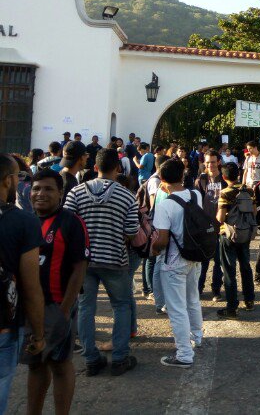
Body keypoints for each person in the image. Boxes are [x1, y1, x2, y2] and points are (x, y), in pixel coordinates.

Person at [64, 148, 139, 376]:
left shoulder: (75, 193)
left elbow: (67, 227)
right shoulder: (127, 196)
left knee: (86, 307)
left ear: (94, 167)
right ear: (118, 168)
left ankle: (91, 358)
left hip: (84, 262)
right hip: (115, 259)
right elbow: (132, 230)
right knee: (122, 306)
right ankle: (119, 358)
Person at [27, 169, 89, 415]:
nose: (41, 194)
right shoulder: (27, 221)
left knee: (60, 364)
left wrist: (64, 310)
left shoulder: (71, 222)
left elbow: (79, 268)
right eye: (36, 189)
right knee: (35, 363)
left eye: (48, 189)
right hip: (29, 307)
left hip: (56, 305)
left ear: (60, 194)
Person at [0, 154, 45, 413]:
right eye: (17, 176)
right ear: (8, 180)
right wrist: (38, 334)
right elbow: (31, 286)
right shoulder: (23, 221)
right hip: (4, 325)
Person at [151, 160, 204, 368]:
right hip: (194, 257)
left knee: (176, 309)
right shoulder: (195, 195)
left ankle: (184, 354)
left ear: (162, 181)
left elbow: (162, 240)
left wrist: (153, 248)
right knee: (193, 299)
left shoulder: (165, 205)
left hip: (173, 263)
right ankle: (197, 338)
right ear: (183, 175)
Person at [216, 162, 256, 319]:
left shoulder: (225, 193)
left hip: (228, 234)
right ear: (238, 175)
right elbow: (253, 211)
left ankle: (232, 307)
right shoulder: (249, 190)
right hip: (245, 233)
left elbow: (220, 217)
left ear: (224, 176)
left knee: (229, 270)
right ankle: (249, 300)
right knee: (245, 266)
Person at [195, 150, 226, 301]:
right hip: (204, 226)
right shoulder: (201, 180)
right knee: (203, 260)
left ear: (218, 162)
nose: (210, 165)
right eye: (207, 162)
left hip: (221, 225)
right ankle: (198, 288)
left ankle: (216, 290)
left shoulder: (224, 178)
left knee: (219, 261)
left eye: (213, 162)